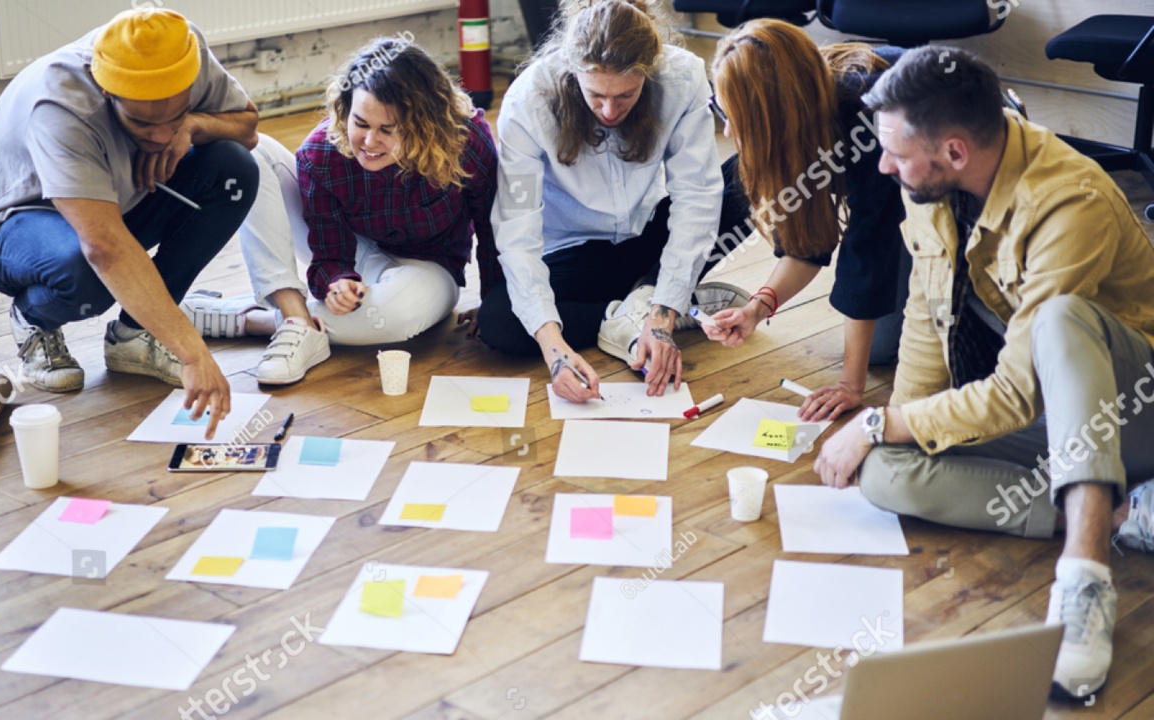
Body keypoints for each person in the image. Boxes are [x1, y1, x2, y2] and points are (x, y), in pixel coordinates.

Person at [812, 46, 1154, 699]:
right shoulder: (929, 182)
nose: (883, 166)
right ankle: (1120, 511)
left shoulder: (1068, 201)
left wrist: (884, 418)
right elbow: (923, 310)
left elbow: (1019, 388)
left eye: (895, 153)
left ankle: (1084, 577)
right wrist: (887, 428)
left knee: (1059, 320)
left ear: (956, 152)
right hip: (1047, 408)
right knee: (885, 470)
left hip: (1131, 407)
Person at [0, 8, 259, 437]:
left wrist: (194, 125)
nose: (162, 136)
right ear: (108, 95)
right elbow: (104, 247)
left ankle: (134, 337)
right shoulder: (60, 105)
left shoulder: (182, 53)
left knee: (233, 169)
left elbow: (247, 126)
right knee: (86, 274)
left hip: (108, 201)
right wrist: (191, 353)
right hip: (12, 224)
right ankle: (34, 318)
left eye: (173, 117)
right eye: (143, 123)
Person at [178, 38, 500, 385]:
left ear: (424, 125)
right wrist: (336, 281)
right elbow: (329, 253)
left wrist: (496, 301)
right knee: (250, 156)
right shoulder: (322, 153)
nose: (369, 141)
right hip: (352, 248)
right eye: (360, 122)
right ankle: (294, 317)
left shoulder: (467, 141)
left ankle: (253, 319)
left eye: (388, 130)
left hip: (427, 268)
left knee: (396, 318)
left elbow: (492, 226)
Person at [479, 0, 746, 402]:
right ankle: (627, 312)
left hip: (647, 235)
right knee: (500, 322)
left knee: (750, 176)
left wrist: (659, 322)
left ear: (649, 71)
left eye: (626, 95)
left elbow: (698, 197)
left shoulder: (683, 77)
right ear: (572, 69)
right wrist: (554, 351)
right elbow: (517, 233)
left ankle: (655, 304)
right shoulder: (526, 103)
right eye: (596, 95)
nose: (609, 109)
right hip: (576, 253)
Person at [703, 20, 908, 422]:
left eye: (734, 115)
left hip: (965, 194)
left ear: (771, 112)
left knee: (881, 349)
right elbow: (807, 244)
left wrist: (851, 385)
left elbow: (868, 248)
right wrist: (756, 310)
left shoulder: (865, 117)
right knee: (879, 344)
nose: (727, 129)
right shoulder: (798, 118)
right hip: (896, 199)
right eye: (720, 111)